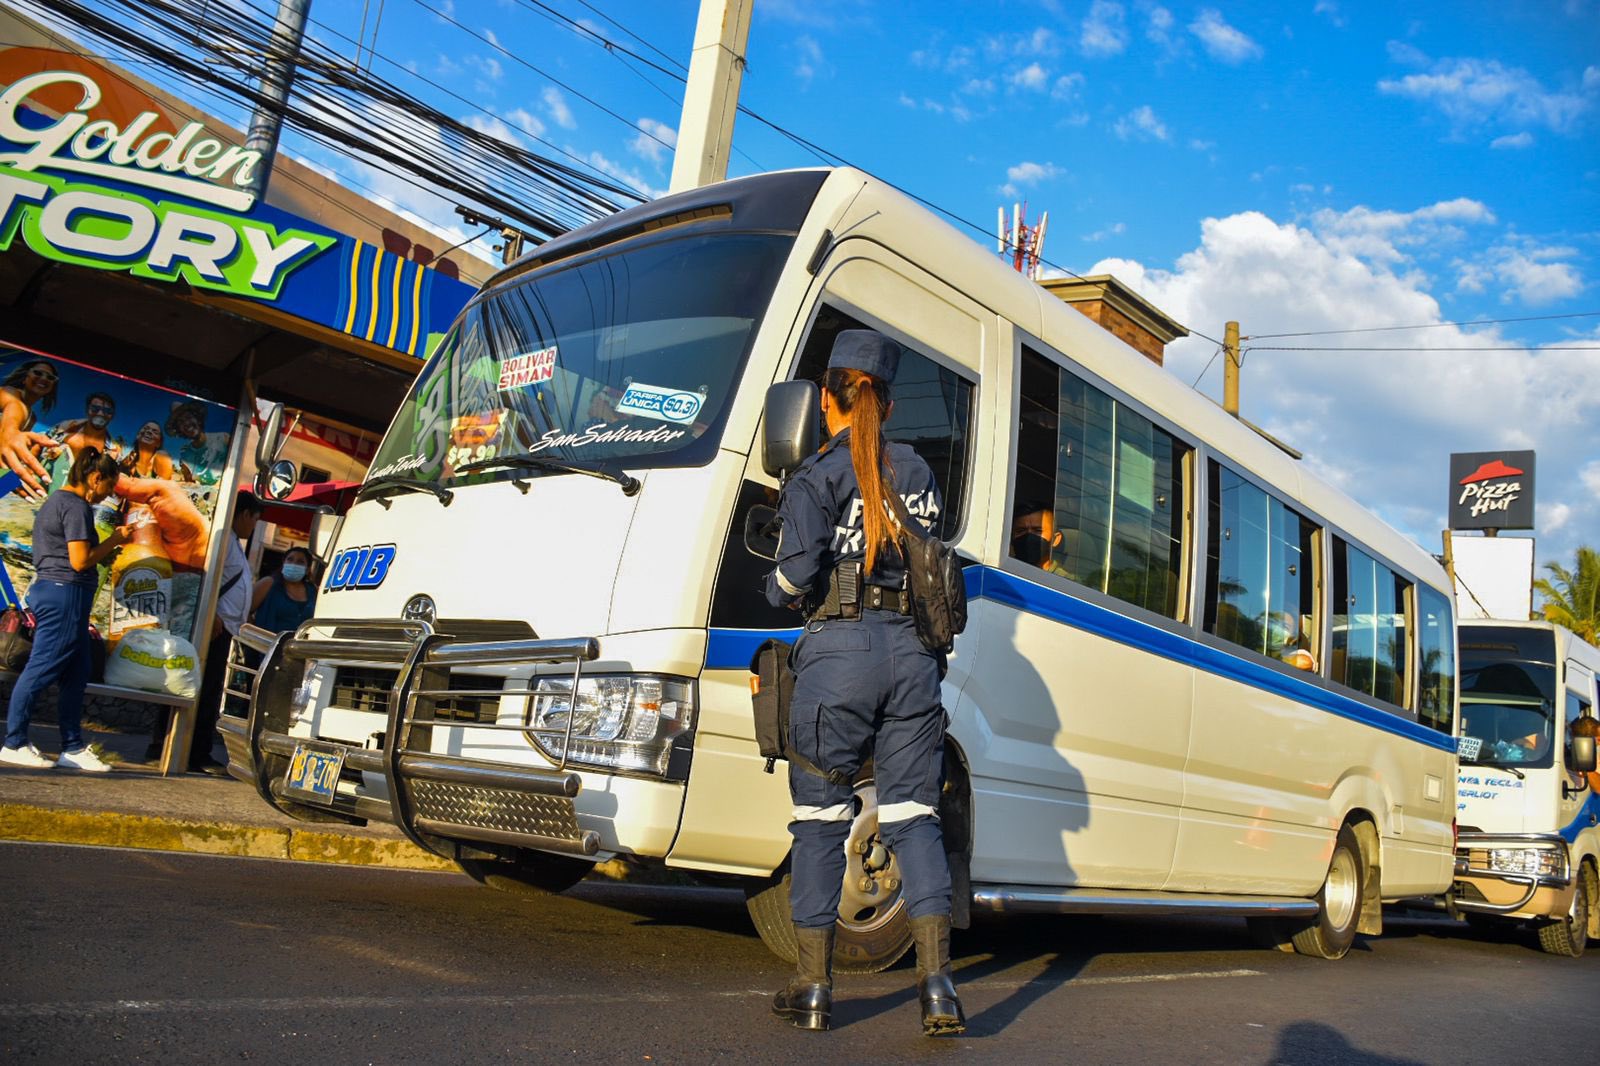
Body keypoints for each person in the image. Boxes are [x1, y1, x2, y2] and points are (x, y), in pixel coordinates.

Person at [763, 330, 964, 1037]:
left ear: (828, 400)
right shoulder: (918, 473)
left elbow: (793, 577)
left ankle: (813, 987)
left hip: (839, 655)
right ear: (886, 397)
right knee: (914, 817)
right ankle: (938, 986)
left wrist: (774, 583)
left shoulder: (816, 476)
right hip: (913, 657)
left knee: (820, 820)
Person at [1, 448, 133, 771]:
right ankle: (13, 741)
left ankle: (72, 747)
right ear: (94, 478)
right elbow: (79, 560)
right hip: (65, 595)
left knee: (76, 672)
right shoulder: (75, 507)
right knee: (41, 668)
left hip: (57, 592)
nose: (109, 494)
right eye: (108, 487)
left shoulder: (55, 502)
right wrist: (115, 539)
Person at [145, 491, 263, 773]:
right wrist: (211, 616)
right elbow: (206, 575)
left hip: (225, 628)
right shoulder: (222, 538)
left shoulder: (233, 542)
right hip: (213, 628)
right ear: (245, 514)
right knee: (195, 687)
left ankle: (192, 749)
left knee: (205, 690)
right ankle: (187, 750)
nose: (254, 526)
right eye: (255, 519)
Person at [0, 358, 63, 500]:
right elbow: (14, 407)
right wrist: (11, 432)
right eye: (38, 373)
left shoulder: (31, 418)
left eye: (50, 377)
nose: (43, 378)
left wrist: (7, 484)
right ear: (25, 377)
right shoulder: (9, 393)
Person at [252, 547, 317, 635]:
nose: (294, 564)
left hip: (298, 647)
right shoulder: (268, 583)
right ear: (283, 563)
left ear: (307, 569)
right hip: (267, 645)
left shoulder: (313, 591)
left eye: (300, 562)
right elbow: (244, 612)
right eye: (290, 559)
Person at [166, 399, 230, 484]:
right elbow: (190, 485)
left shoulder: (223, 438)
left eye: (188, 417)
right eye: (181, 422)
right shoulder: (185, 455)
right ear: (179, 430)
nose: (186, 423)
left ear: (198, 419)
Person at [1010, 498, 1068, 576]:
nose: (1028, 537)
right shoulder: (1002, 571)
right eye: (1021, 531)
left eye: (1038, 531)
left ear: (1056, 539)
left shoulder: (1067, 582)